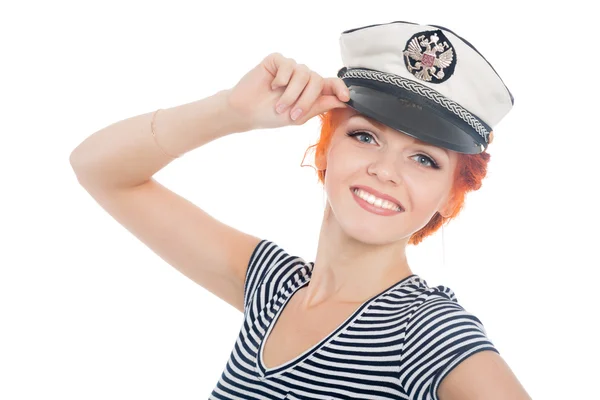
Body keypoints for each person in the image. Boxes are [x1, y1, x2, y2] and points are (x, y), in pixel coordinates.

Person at [70, 20, 531, 400]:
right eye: (365, 136)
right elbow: (99, 169)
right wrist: (231, 111)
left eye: (424, 159)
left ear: (451, 197)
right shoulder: (270, 287)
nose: (385, 171)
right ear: (327, 148)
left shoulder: (428, 332)